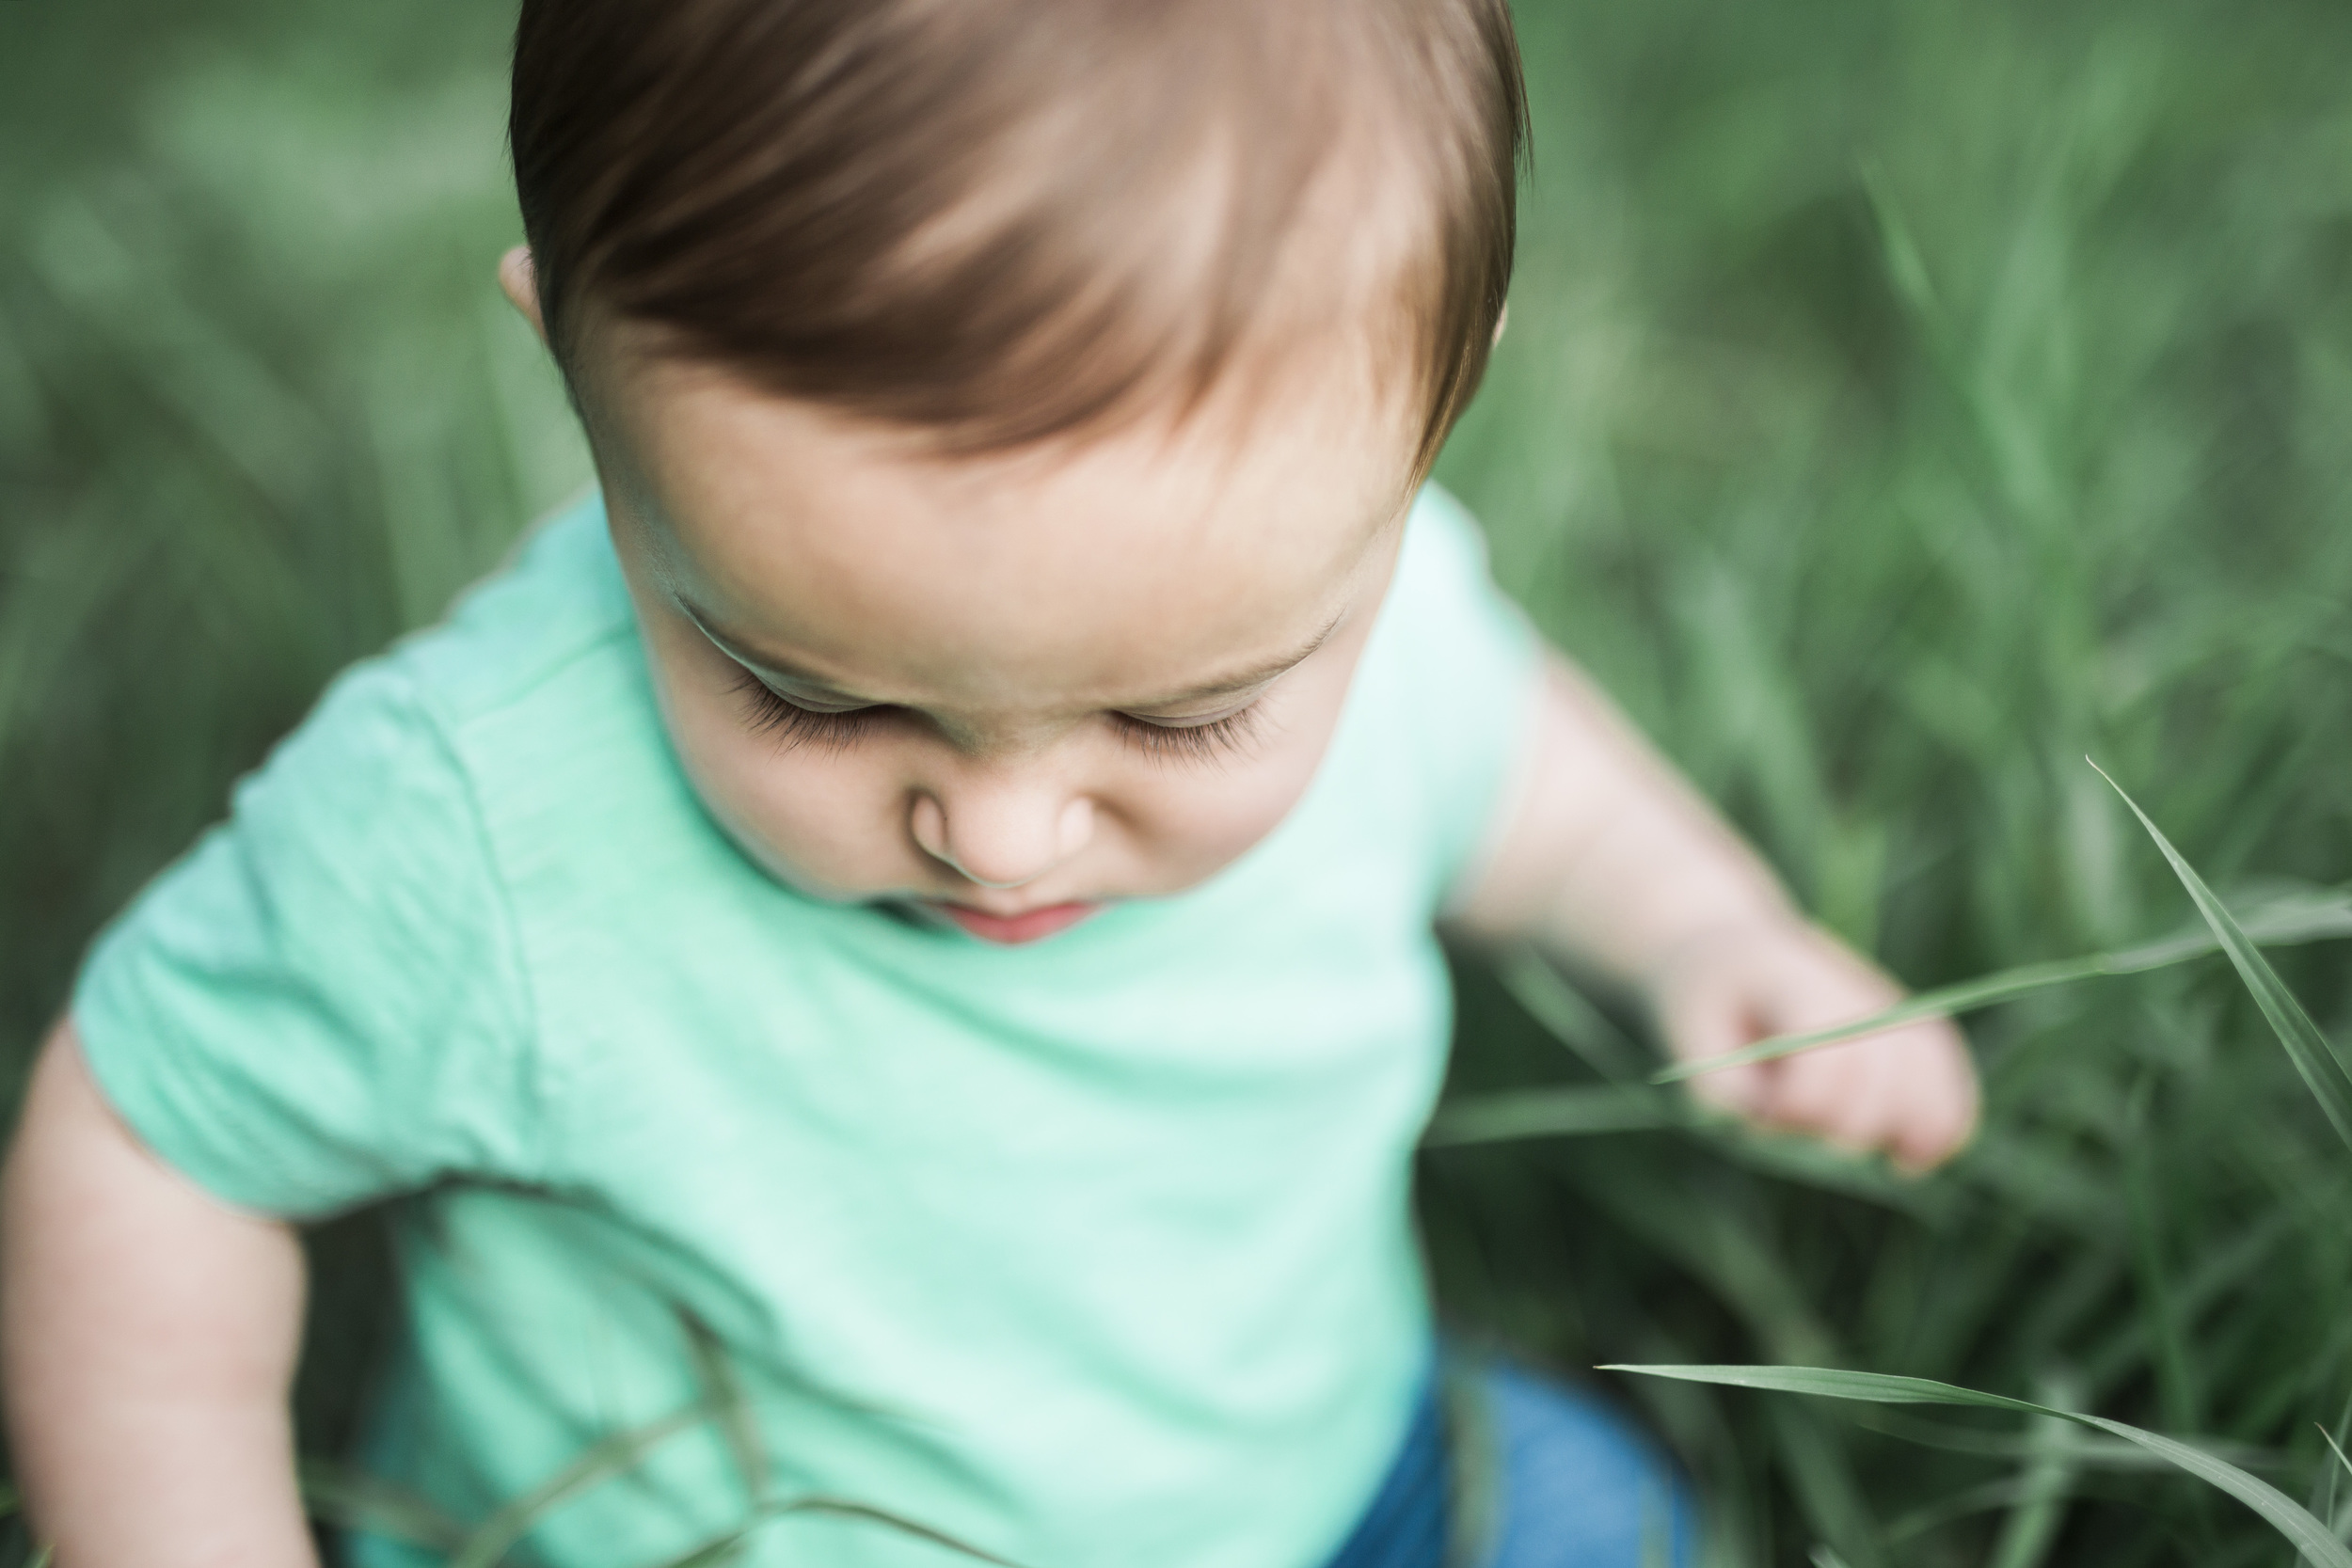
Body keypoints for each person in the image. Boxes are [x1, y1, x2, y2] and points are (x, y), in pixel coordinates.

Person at [0, 2, 1980, 1564]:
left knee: (1586, 1511)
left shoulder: (1354, 616)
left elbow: (1519, 779)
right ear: (585, 379)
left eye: (1180, 723)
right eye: (813, 695)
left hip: (1323, 1488)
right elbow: (146, 1146)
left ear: (1419, 442)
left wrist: (1703, 927)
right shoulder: (483, 825)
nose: (1005, 832)